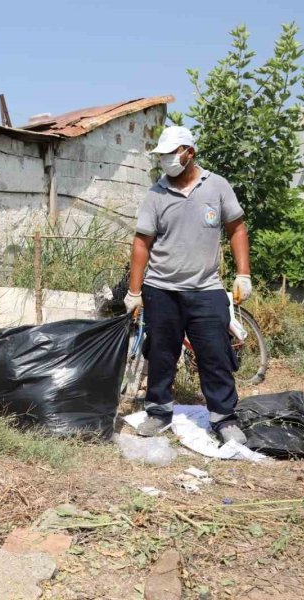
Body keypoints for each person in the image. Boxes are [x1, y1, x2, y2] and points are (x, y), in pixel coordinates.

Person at [124, 126, 252, 443]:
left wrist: (243, 273)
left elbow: (237, 228)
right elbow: (142, 242)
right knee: (162, 354)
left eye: (171, 154)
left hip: (206, 289)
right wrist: (134, 291)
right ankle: (158, 413)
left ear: (189, 153)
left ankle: (224, 418)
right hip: (161, 289)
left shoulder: (217, 187)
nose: (166, 160)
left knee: (215, 355)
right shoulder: (155, 194)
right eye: (162, 155)